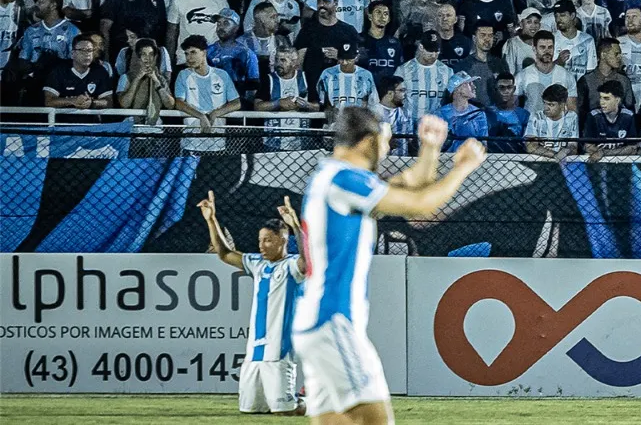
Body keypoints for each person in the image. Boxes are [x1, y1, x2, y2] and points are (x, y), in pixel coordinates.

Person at [294, 109, 484, 424]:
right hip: (334, 321)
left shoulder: (334, 178)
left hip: (317, 323)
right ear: (367, 142)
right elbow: (421, 206)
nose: (388, 148)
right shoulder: (344, 179)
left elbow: (410, 184)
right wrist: (464, 168)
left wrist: (431, 148)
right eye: (385, 142)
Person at [198, 190, 307, 416]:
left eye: (268, 240)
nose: (262, 245)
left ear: (283, 241)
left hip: (279, 352)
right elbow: (224, 253)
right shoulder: (257, 263)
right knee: (251, 411)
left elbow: (308, 261)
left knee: (285, 411)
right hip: (254, 353)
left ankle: (313, 401)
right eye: (260, 240)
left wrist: (295, 226)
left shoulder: (291, 267)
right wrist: (211, 219)